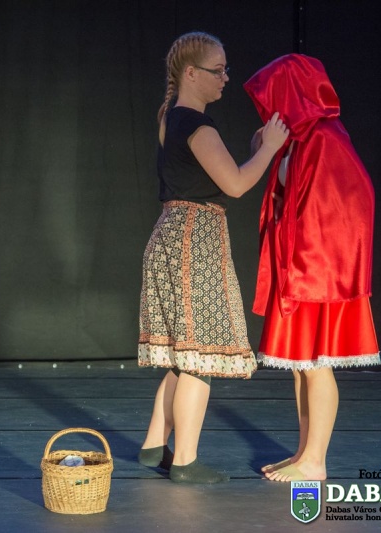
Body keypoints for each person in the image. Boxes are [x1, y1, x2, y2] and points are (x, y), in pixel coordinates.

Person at [137, 31, 289, 484]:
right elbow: (236, 185)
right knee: (200, 355)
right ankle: (184, 460)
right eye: (217, 70)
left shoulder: (172, 118)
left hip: (175, 233)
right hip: (194, 240)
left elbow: (216, 175)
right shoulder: (197, 125)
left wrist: (255, 155)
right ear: (191, 73)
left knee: (185, 353)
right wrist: (270, 148)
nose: (225, 78)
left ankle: (154, 443)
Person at [243, 54, 381, 482]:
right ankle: (305, 452)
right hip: (299, 270)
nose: (268, 110)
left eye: (274, 100)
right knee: (301, 367)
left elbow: (351, 205)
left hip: (317, 274)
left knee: (317, 364)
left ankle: (316, 461)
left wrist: (314, 266)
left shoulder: (325, 137)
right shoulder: (300, 140)